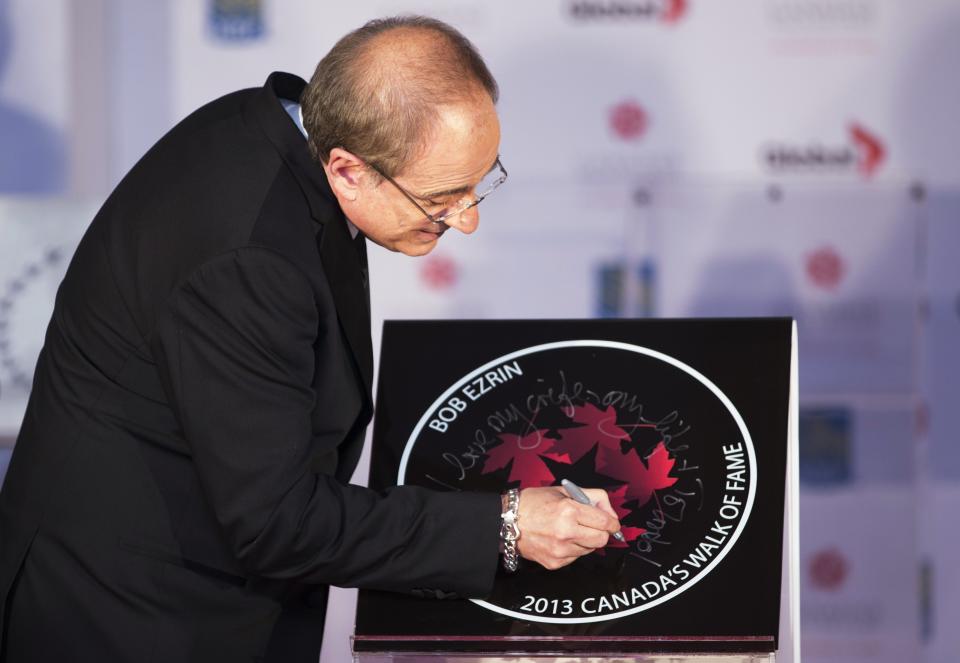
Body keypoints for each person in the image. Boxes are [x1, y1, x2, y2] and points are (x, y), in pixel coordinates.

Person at [0, 16, 621, 663]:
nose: (465, 220)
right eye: (442, 198)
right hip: (130, 615)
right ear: (349, 170)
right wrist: (506, 525)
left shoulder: (288, 130)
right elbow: (277, 521)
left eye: (482, 181)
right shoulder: (246, 261)